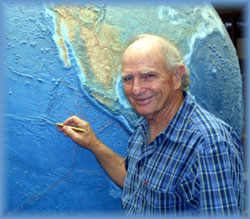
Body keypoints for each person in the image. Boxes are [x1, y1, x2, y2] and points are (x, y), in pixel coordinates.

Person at [57, 34, 244, 216]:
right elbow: (136, 181)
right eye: (128, 79)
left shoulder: (210, 145)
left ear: (177, 76)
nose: (136, 89)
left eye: (148, 76)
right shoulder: (145, 127)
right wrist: (93, 144)